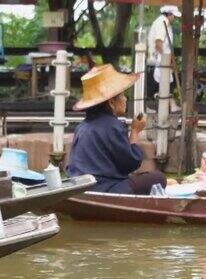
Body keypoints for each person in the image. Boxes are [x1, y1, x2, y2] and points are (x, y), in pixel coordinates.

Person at [66, 64, 167, 194]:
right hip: (102, 188)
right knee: (158, 178)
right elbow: (130, 164)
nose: (125, 99)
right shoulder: (112, 125)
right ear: (111, 102)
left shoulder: (82, 127)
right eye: (122, 95)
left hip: (79, 186)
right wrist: (135, 131)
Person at [147, 5, 181, 112]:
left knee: (167, 83)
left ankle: (172, 104)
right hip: (159, 59)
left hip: (163, 59)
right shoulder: (162, 22)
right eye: (174, 16)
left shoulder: (165, 23)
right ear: (169, 14)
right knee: (161, 83)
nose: (174, 19)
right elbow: (159, 43)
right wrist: (165, 60)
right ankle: (168, 105)